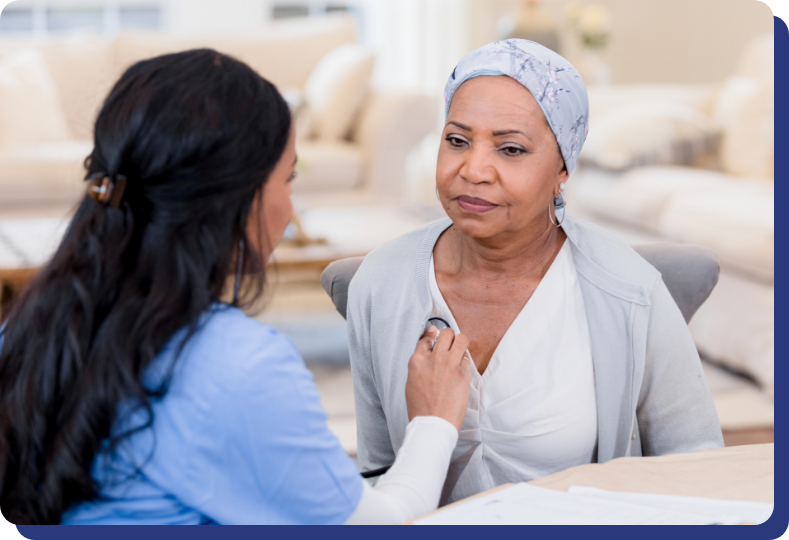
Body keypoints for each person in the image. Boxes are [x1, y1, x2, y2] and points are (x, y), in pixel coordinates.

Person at [0, 49, 472, 525]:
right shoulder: (236, 365)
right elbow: (376, 526)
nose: (291, 205)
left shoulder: (27, 325)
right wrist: (433, 421)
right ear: (237, 198)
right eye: (287, 178)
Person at [347, 39, 724, 506]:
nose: (474, 169)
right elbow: (378, 472)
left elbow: (697, 465)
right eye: (457, 140)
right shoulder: (381, 282)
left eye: (510, 149)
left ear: (563, 166)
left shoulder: (631, 291)